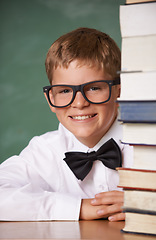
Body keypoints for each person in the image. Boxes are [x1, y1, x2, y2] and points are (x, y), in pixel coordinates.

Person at [0, 27, 133, 221]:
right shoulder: (44, 151)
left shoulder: (151, 144)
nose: (79, 103)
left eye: (94, 88)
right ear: (50, 98)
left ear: (119, 92)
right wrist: (79, 208)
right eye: (64, 91)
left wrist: (149, 203)